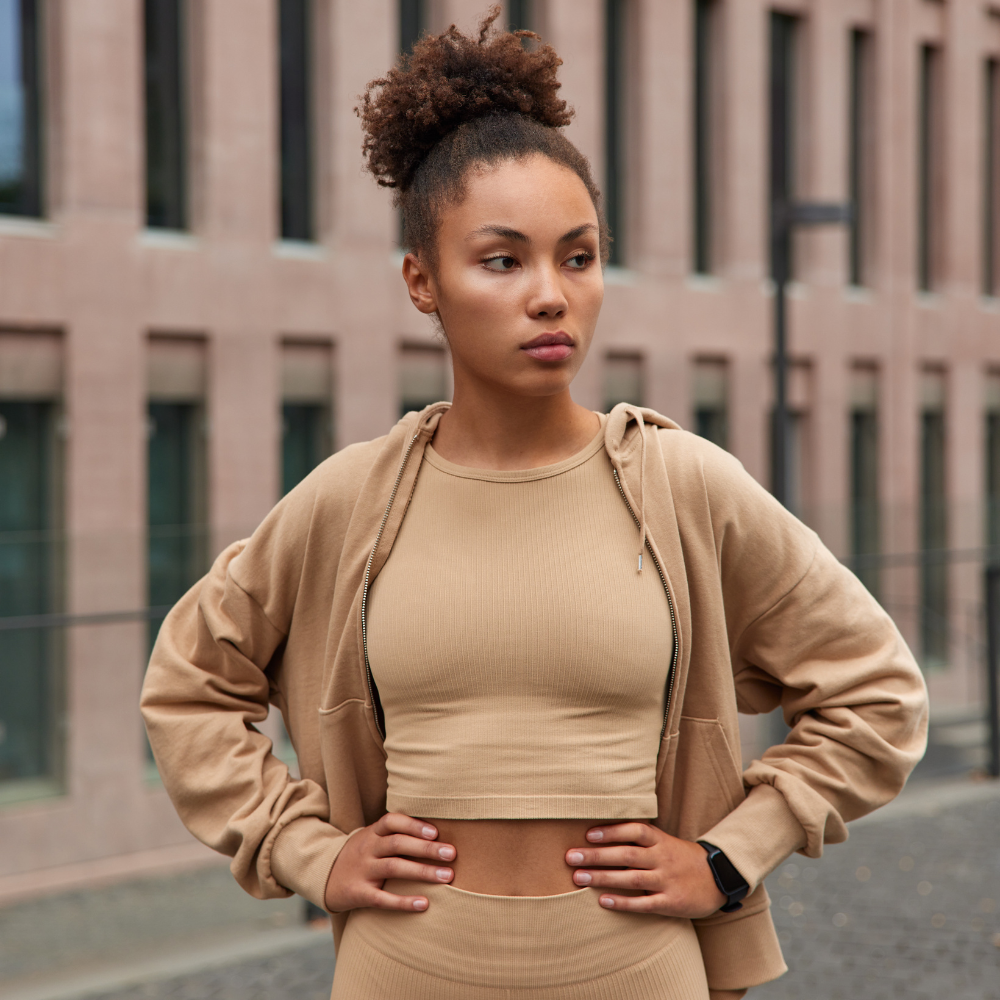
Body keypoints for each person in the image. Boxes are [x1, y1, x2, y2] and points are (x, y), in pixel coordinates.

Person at [141, 10, 928, 999]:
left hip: (636, 968)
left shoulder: (681, 484)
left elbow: (878, 696)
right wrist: (306, 851)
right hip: (404, 970)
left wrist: (729, 855)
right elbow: (188, 687)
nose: (551, 294)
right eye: (503, 260)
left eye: (579, 255)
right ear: (422, 282)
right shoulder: (351, 501)